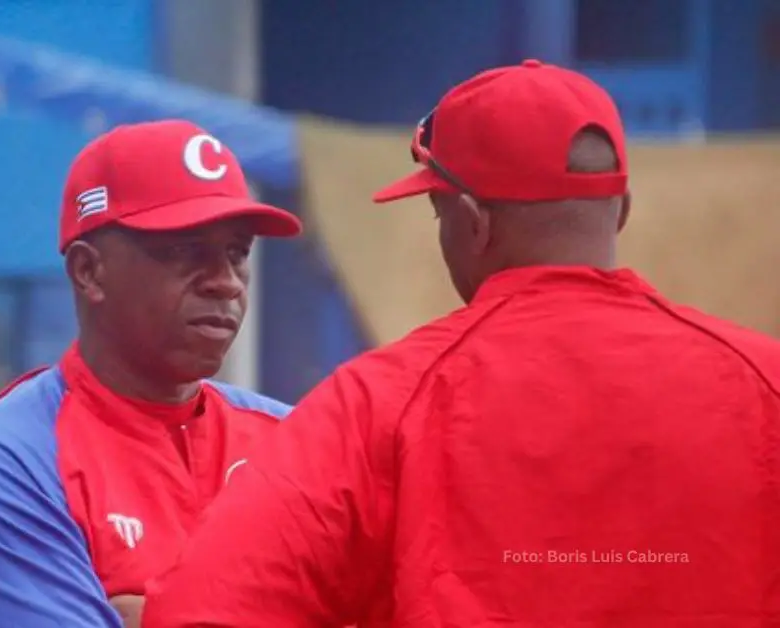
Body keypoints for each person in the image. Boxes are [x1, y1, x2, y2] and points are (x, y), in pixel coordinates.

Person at [142, 60, 780, 627]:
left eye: (439, 216)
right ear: (621, 211)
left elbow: (204, 614)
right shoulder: (764, 381)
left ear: (472, 225)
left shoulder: (378, 405)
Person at [0, 119, 303, 627]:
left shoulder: (297, 440)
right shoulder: (6, 462)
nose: (225, 282)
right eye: (186, 250)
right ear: (88, 271)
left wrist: (152, 618)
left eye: (236, 252)